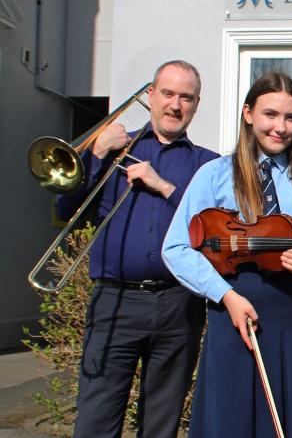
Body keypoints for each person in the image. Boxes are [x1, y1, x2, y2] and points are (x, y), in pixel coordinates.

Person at [162, 71, 292, 438]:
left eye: (291, 118)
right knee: (233, 421)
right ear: (248, 114)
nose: (281, 127)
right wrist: (226, 296)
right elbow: (177, 248)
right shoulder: (214, 175)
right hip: (234, 313)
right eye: (270, 114)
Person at [56, 60, 219, 438]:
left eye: (186, 97)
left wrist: (164, 186)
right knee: (96, 419)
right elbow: (65, 210)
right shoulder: (113, 151)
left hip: (179, 304)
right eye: (168, 93)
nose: (175, 104)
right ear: (150, 95)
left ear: (196, 105)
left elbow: (214, 232)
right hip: (115, 301)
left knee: (161, 422)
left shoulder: (208, 165)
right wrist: (97, 153)